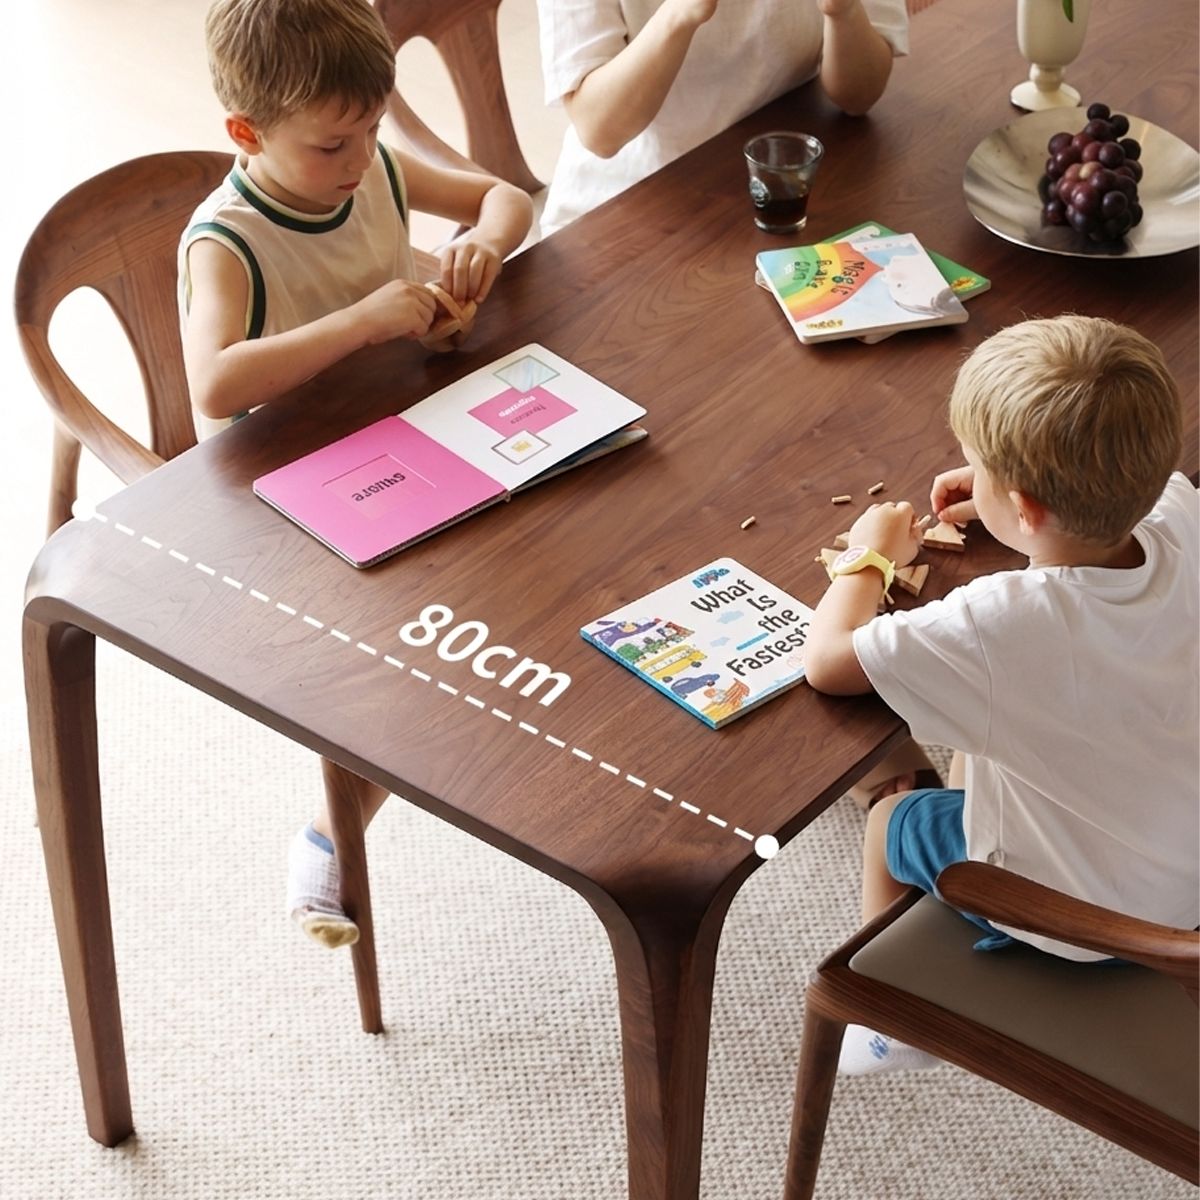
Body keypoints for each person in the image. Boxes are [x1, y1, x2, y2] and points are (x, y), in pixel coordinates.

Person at [180, 0, 533, 947]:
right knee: (419, 643)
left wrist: (478, 248)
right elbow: (213, 385)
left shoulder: (370, 162)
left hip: (405, 428)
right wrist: (365, 322)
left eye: (373, 128)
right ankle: (332, 830)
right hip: (295, 491)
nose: (360, 158)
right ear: (246, 134)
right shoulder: (227, 240)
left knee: (545, 542)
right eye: (333, 144)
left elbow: (506, 199)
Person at [803, 315, 1199, 1075]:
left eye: (980, 465)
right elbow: (1130, 493)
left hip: (1087, 925)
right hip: (1187, 875)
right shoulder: (1181, 513)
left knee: (893, 817)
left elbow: (828, 662)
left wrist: (868, 559)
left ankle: (892, 1017)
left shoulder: (999, 627)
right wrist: (1008, 496)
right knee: (973, 761)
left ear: (1025, 507)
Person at [535, 0, 909, 237]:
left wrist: (842, 11)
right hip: (624, 209)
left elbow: (859, 96)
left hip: (781, 189)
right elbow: (601, 131)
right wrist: (680, 14)